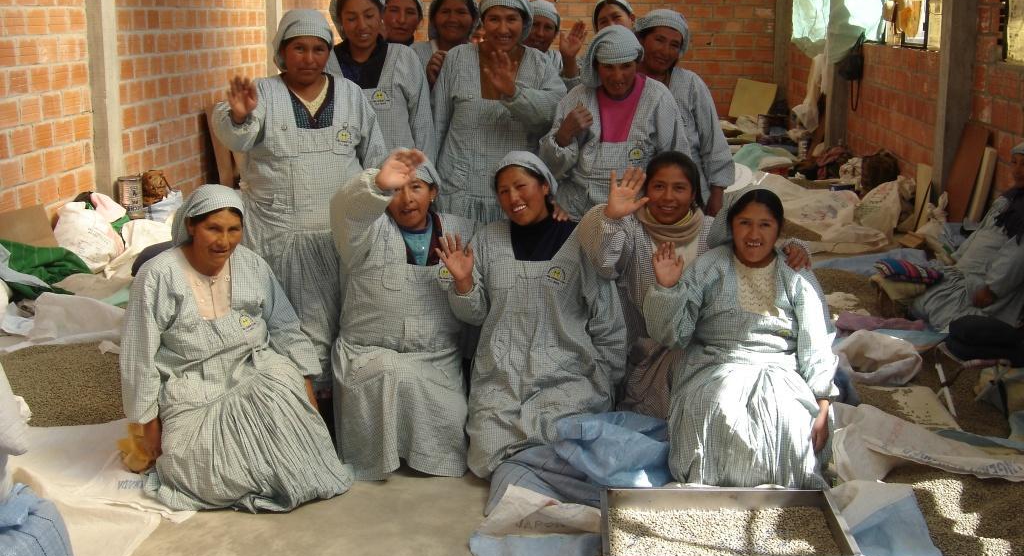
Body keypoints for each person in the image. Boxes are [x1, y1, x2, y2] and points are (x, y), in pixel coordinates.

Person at [120, 185, 353, 511]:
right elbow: (138, 355)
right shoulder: (158, 275)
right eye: (213, 229)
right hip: (191, 384)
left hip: (253, 368)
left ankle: (273, 470)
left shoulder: (252, 265)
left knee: (296, 439)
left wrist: (306, 386)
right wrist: (149, 425)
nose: (224, 241)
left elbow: (284, 326)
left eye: (233, 230)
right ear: (191, 226)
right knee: (194, 471)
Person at [212, 10, 388, 386]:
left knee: (344, 329)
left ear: (329, 53)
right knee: (286, 334)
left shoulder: (351, 95)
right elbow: (235, 137)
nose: (309, 58)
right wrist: (240, 117)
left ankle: (333, 409)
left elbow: (374, 157)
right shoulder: (262, 94)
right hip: (279, 238)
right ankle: (293, 406)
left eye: (319, 49)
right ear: (281, 52)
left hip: (339, 237)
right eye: (299, 49)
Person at [438, 152, 626, 478]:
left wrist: (605, 381)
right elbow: (475, 314)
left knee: (556, 432)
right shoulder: (487, 239)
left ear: (544, 187)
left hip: (566, 375)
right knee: (484, 455)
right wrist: (464, 281)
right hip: (501, 376)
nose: (513, 197)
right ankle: (545, 473)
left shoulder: (578, 238)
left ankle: (532, 473)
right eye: (504, 191)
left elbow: (607, 320)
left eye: (521, 186)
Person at [579, 155, 810, 418]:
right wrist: (610, 216)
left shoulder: (713, 235)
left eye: (679, 188)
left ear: (693, 194)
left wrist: (796, 247)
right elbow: (603, 262)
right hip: (643, 353)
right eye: (658, 187)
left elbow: (756, 245)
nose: (668, 197)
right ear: (646, 191)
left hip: (710, 351)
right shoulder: (631, 231)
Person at [643, 187, 837, 488]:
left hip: (780, 370)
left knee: (790, 421)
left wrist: (823, 403)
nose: (753, 234)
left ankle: (783, 489)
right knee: (712, 410)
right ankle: (712, 485)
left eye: (765, 224)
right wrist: (667, 289)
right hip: (714, 364)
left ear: (779, 230)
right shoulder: (710, 267)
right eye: (744, 222)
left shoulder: (795, 271)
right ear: (730, 225)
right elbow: (673, 335)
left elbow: (816, 340)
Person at [329, 149, 474, 481]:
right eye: (396, 191)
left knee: (452, 423)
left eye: (417, 188)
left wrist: (463, 281)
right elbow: (344, 212)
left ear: (433, 192)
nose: (406, 200)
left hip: (435, 359)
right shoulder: (366, 231)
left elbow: (475, 309)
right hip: (371, 353)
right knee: (388, 372)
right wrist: (377, 184)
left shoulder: (461, 230)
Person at [432, 0, 566, 224]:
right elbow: (436, 124)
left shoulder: (540, 64)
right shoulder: (458, 58)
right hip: (457, 189)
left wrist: (514, 93)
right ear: (482, 22)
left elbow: (553, 114)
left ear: (524, 23)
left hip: (515, 196)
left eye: (511, 19)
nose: (503, 28)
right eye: (494, 19)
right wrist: (427, 179)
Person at [538, 25, 690, 219]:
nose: (618, 77)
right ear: (595, 66)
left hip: (635, 212)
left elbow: (676, 162)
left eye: (626, 66)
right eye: (608, 67)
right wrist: (563, 134)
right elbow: (550, 168)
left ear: (638, 63)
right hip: (577, 211)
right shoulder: (578, 97)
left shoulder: (658, 97)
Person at [912, 143, 1024, 331]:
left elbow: (1016, 257)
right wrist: (956, 260)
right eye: (1014, 163)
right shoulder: (1010, 199)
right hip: (965, 275)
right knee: (918, 299)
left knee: (952, 324)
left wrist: (991, 289)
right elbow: (981, 233)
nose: (1018, 171)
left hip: (988, 287)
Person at [636, 9, 734, 216]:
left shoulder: (690, 85)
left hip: (691, 197)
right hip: (640, 196)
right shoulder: (626, 83)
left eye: (674, 45)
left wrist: (716, 196)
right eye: (659, 40)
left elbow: (713, 143)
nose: (665, 51)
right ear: (641, 39)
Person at [326, 0, 436, 160]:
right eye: (352, 18)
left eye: (369, 15)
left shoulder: (403, 58)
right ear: (340, 21)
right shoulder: (328, 64)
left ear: (381, 15)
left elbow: (422, 124)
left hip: (402, 177)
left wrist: (423, 177)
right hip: (347, 179)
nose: (362, 25)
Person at [412, 0, 480, 87]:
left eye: (461, 12)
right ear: (433, 18)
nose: (452, 19)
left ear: (474, 19)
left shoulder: (481, 57)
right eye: (445, 12)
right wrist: (427, 82)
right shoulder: (414, 54)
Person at [524, 0, 586, 88]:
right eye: (535, 24)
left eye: (548, 27)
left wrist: (569, 59)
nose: (540, 33)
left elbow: (573, 96)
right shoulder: (505, 58)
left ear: (554, 35)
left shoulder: (558, 61)